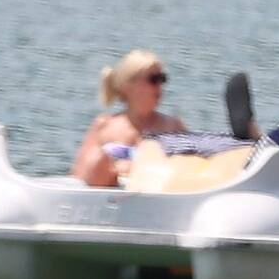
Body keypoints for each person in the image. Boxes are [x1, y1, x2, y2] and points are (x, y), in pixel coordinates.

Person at [70, 50, 199, 187]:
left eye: (162, 79)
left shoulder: (174, 127)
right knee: (98, 159)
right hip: (109, 200)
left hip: (156, 200)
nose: (160, 86)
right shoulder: (104, 126)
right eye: (153, 80)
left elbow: (192, 174)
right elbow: (79, 176)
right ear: (127, 86)